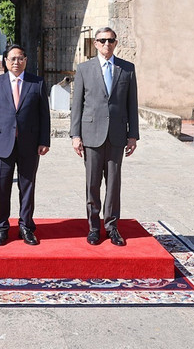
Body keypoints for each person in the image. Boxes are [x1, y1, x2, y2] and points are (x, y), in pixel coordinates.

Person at [69, 27, 138, 246]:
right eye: (102, 40)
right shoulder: (84, 69)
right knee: (92, 184)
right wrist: (75, 135)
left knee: (114, 183)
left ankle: (112, 226)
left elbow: (131, 104)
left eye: (110, 40)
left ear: (115, 43)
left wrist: (133, 135)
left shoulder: (127, 69)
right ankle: (93, 227)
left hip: (117, 135)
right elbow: (77, 105)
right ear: (95, 44)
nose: (106, 44)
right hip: (91, 135)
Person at [0, 44, 49, 246]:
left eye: (20, 58)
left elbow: (44, 115)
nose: (16, 62)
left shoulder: (36, 83)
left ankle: (26, 227)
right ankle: (1, 227)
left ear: (26, 60)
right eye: (12, 59)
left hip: (29, 144)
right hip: (2, 144)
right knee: (1, 188)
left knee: (27, 187)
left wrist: (44, 141)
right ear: (5, 61)